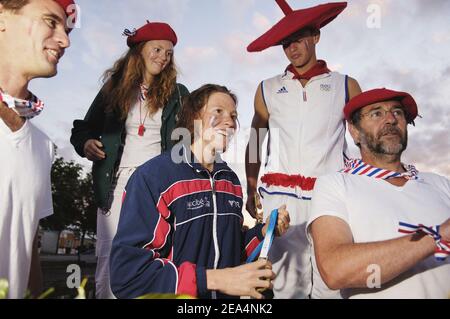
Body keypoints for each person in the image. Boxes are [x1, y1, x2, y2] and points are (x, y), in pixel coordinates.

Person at [110, 84, 290, 299]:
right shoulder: (153, 177)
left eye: (233, 115)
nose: (230, 122)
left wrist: (264, 231)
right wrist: (214, 280)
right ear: (194, 116)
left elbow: (230, 249)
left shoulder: (230, 181)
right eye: (218, 111)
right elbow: (128, 275)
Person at [245, 0, 361, 298]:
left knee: (332, 279)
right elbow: (256, 138)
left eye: (298, 39)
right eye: (286, 43)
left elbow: (364, 140)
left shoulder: (346, 85)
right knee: (286, 285)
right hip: (281, 200)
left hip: (330, 194)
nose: (292, 48)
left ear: (316, 37)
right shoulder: (267, 87)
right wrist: (249, 186)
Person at [70, 21, 189, 299]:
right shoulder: (114, 88)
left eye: (169, 53)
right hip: (116, 180)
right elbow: (82, 128)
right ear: (139, 51)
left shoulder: (178, 93)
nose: (163, 57)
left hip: (157, 184)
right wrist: (86, 143)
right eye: (157, 49)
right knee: (110, 260)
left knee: (157, 255)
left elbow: (188, 138)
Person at [307, 88, 450, 298]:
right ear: (354, 131)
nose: (391, 119)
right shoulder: (335, 185)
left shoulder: (440, 184)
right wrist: (438, 236)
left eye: (398, 112)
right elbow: (334, 270)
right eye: (377, 113)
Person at [0, 0, 75, 298]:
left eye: (67, 29)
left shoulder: (43, 146)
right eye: (50, 21)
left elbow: (27, 245)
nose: (66, 40)